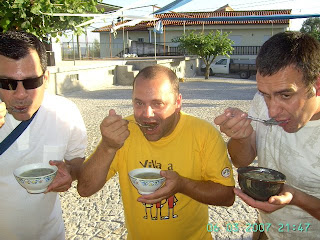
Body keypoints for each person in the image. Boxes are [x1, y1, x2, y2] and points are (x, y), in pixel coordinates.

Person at [77, 65, 235, 240]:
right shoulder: (123, 133)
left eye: (157, 103)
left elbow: (227, 196)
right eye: (139, 103)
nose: (146, 114)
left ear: (178, 102)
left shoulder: (204, 134)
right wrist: (107, 146)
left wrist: (182, 185)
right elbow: (85, 188)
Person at [214, 31, 320, 239]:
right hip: (264, 230)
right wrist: (241, 136)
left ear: (317, 85)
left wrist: (297, 198)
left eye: (285, 95)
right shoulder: (261, 102)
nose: (272, 111)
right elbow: (242, 159)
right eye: (265, 94)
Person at [0, 31, 87, 239]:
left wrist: (71, 174)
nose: (20, 94)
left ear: (46, 78)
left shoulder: (65, 113)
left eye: (31, 82)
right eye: (8, 84)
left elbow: (76, 162)